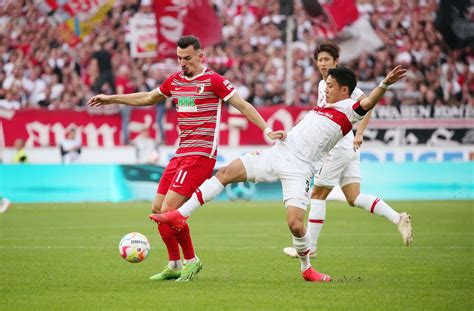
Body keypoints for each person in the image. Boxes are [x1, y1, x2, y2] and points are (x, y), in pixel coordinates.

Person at [151, 65, 407, 282]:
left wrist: (384, 83)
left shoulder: (350, 109)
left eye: (330, 85)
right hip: (279, 153)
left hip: (300, 169)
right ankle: (179, 215)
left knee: (296, 225)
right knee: (227, 172)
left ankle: (307, 269)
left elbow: (369, 102)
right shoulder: (324, 104)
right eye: (325, 84)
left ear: (343, 89)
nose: (325, 88)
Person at [88, 36, 286, 282]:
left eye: (188, 58)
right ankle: (173, 264)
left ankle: (191, 261)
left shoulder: (214, 81)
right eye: (179, 58)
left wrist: (267, 130)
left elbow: (243, 105)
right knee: (157, 209)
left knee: (169, 210)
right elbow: (149, 98)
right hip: (180, 153)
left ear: (200, 56)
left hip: (201, 156)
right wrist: (112, 98)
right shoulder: (176, 81)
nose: (183, 63)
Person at [283, 43, 413, 259]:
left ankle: (310, 247)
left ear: (336, 61)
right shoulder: (323, 86)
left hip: (338, 146)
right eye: (320, 60)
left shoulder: (345, 86)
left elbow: (366, 105)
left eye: (327, 59)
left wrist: (360, 133)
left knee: (317, 195)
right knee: (354, 197)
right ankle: (398, 218)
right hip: (345, 146)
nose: (323, 64)